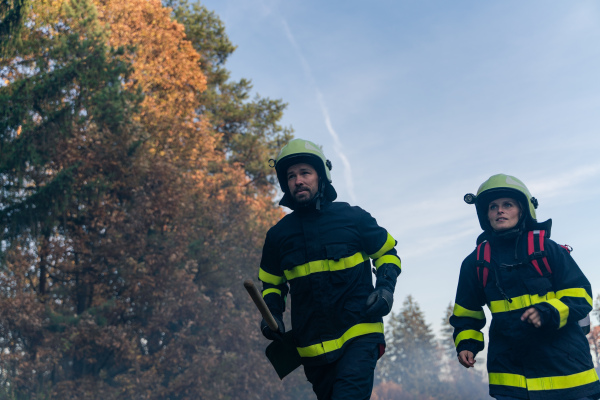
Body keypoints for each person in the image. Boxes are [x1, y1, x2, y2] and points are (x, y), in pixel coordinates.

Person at [257, 138, 401, 399]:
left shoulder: (354, 218)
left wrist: (385, 289)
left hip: (360, 336)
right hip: (312, 350)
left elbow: (387, 254)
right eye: (291, 175)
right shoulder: (278, 236)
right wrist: (273, 316)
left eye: (305, 173)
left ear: (321, 176)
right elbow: (272, 284)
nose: (298, 180)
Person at [450, 173, 600, 400]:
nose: (499, 211)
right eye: (493, 207)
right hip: (512, 381)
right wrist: (466, 343)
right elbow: (466, 313)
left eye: (507, 204)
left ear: (523, 210)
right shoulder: (475, 263)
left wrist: (547, 312)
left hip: (569, 377)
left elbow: (580, 296)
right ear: (486, 215)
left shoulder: (548, 250)